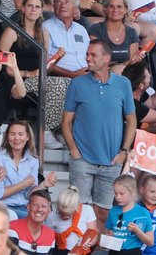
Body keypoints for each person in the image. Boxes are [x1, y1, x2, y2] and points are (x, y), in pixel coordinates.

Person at [61, 38, 136, 223]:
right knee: (78, 211)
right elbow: (66, 122)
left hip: (111, 161)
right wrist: (73, 150)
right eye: (87, 54)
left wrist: (124, 151)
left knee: (103, 213)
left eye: (93, 54)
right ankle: (78, 250)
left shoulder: (123, 83)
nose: (88, 58)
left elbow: (132, 119)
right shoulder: (77, 83)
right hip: (82, 160)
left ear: (107, 58)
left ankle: (97, 251)